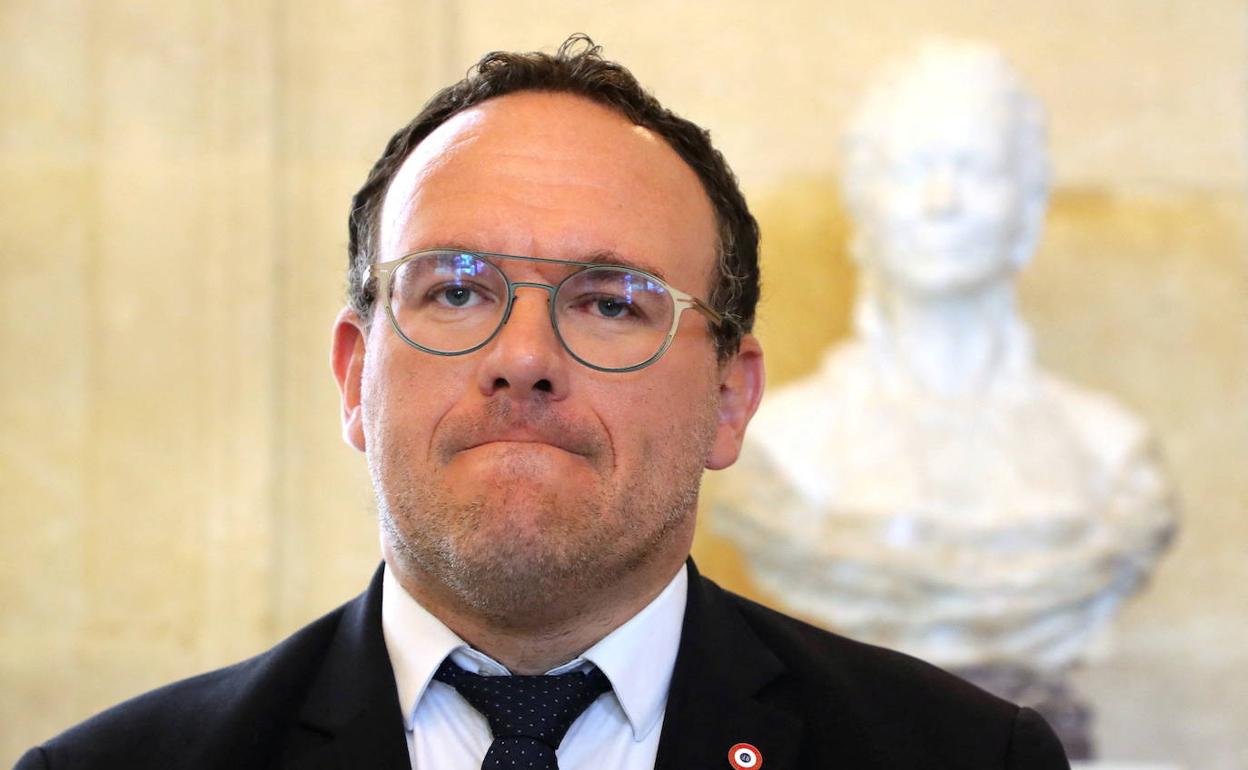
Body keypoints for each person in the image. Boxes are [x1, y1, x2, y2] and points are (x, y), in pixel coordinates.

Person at [16, 36, 1069, 770]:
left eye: (610, 302)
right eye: (456, 290)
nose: (523, 359)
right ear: (353, 375)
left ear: (728, 398)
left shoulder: (968, 759)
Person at [712, 40, 1174, 759]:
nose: (941, 203)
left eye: (975, 169)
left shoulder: (1110, 456)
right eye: (910, 170)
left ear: (1029, 201)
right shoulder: (784, 448)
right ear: (862, 200)